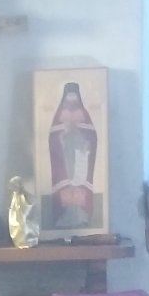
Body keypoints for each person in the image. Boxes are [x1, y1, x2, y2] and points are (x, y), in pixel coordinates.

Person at [47, 81, 98, 228]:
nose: (71, 99)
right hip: (64, 158)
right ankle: (63, 217)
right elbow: (53, 137)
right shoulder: (60, 114)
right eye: (69, 96)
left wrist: (84, 140)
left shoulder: (83, 113)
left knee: (79, 186)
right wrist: (63, 136)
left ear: (78, 96)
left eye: (74, 96)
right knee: (66, 187)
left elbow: (92, 136)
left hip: (79, 157)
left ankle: (82, 216)